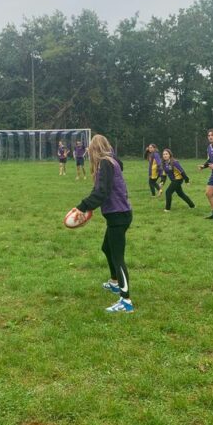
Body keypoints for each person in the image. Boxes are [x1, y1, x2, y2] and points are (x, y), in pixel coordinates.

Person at [72, 134, 134, 314]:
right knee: (107, 248)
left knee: (118, 257)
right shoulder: (111, 160)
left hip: (118, 216)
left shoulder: (106, 163)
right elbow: (99, 189)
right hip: (118, 215)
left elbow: (102, 192)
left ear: (94, 150)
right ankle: (114, 282)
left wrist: (82, 207)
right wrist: (87, 208)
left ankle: (126, 301)